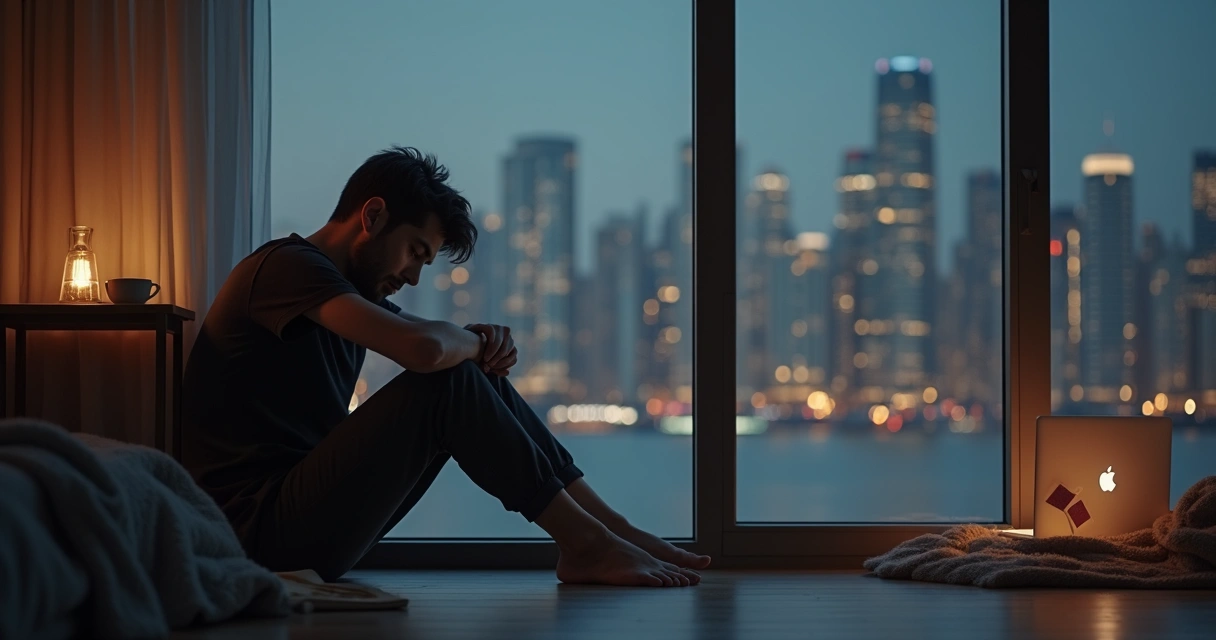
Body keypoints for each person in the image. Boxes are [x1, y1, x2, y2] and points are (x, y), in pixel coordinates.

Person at [181, 146, 710, 586]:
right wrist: (472, 345)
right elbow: (427, 352)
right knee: (449, 381)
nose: (412, 277)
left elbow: (430, 342)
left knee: (468, 373)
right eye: (414, 252)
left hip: (299, 524)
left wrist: (475, 344)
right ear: (373, 216)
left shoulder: (344, 295)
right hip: (253, 533)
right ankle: (589, 544)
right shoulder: (286, 268)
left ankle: (610, 528)